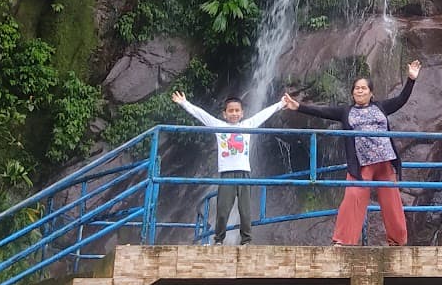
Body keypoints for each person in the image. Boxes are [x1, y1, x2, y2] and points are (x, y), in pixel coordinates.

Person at [283, 60, 421, 247]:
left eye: (364, 88)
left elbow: (401, 99)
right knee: (353, 196)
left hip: (385, 161)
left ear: (371, 93)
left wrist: (411, 79)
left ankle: (397, 241)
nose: (360, 91)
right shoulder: (345, 111)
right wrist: (298, 106)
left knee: (391, 199)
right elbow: (321, 111)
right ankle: (344, 241)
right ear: (352, 92)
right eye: (356, 88)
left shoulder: (381, 107)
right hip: (361, 163)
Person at [171, 89, 286, 245]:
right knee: (223, 209)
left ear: (242, 113)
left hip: (244, 173)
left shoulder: (248, 125)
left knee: (245, 210)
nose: (234, 113)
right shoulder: (218, 126)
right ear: (224, 114)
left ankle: (246, 240)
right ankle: (219, 240)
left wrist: (281, 104)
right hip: (226, 174)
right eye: (230, 111)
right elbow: (202, 115)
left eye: (237, 110)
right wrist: (185, 103)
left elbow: (264, 114)